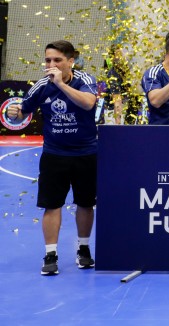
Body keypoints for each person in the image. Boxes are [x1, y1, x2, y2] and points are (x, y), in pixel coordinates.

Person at [8, 41, 99, 275]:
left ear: (71, 61)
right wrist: (14, 114)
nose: (51, 65)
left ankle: (84, 249)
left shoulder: (85, 81)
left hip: (85, 154)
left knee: (86, 203)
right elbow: (22, 114)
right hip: (54, 155)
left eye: (57, 60)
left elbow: (89, 103)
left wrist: (60, 84)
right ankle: (50, 254)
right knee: (52, 205)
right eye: (48, 60)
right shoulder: (41, 85)